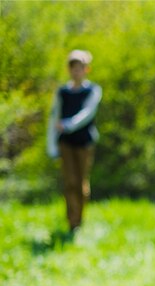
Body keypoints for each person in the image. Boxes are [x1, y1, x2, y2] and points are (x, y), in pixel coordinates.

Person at [47, 49, 102, 233]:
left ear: (86, 69)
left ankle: (80, 218)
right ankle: (72, 221)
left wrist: (69, 124)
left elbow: (87, 113)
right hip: (66, 143)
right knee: (69, 182)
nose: (76, 71)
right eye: (73, 68)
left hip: (84, 142)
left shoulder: (93, 90)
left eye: (79, 67)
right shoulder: (62, 92)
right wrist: (52, 144)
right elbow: (54, 116)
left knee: (81, 183)